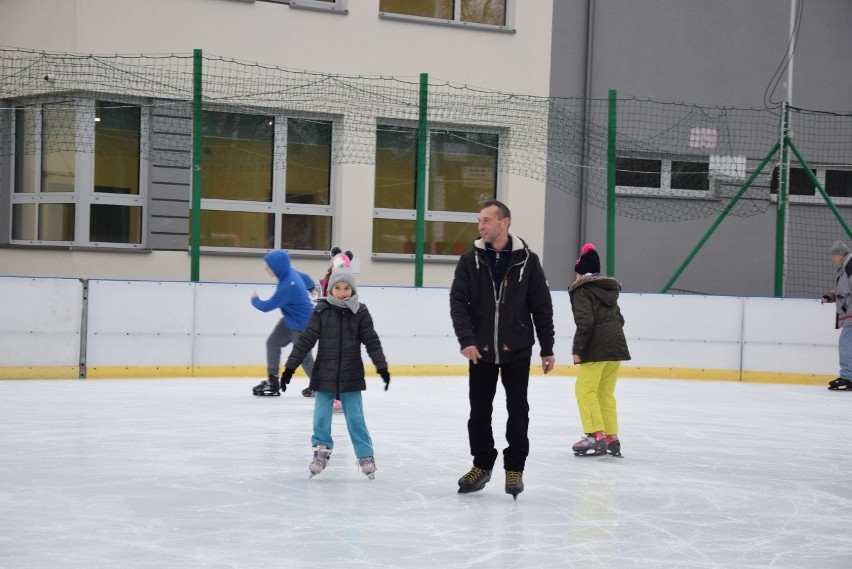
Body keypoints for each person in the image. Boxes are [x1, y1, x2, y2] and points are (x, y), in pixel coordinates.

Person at [449, 199, 555, 500]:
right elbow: (458, 302)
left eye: (487, 220)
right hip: (480, 349)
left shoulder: (528, 261)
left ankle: (515, 468)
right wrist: (466, 340)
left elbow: (541, 307)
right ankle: (482, 465)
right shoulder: (470, 260)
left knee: (517, 410)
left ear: (504, 222)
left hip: (517, 348)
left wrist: (547, 347)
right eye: (479, 221)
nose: (481, 226)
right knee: (479, 412)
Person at [280, 268, 391, 479]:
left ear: (352, 289)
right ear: (331, 290)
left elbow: (372, 341)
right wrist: (289, 368)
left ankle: (365, 455)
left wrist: (382, 367)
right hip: (324, 374)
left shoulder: (360, 311)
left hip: (351, 374)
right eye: (337, 288)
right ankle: (321, 451)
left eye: (346, 288)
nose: (342, 293)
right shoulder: (322, 311)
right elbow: (305, 341)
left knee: (356, 418)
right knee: (321, 417)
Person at [568, 243, 631, 457]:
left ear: (581, 271)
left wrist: (578, 349)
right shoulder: (608, 288)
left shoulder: (581, 290)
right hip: (616, 346)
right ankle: (612, 438)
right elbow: (619, 319)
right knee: (605, 393)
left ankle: (595, 435)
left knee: (585, 390)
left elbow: (585, 322)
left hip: (596, 346)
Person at [250, 249, 316, 397]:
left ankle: (321, 386)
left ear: (278, 266)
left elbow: (266, 306)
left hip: (303, 326)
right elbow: (306, 278)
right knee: (272, 342)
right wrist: (311, 287)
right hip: (290, 321)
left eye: (269, 266)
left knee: (304, 359)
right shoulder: (290, 272)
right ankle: (273, 381)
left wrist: (254, 299)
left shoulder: (287, 286)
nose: (266, 269)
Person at [301, 247, 355, 401]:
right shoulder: (323, 284)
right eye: (336, 268)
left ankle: (339, 394)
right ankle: (327, 390)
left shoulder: (348, 286)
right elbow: (316, 301)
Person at [822, 239, 852, 391]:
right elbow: (843, 291)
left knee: (845, 345)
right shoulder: (846, 268)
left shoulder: (850, 267)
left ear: (840, 254)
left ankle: (848, 377)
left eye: (834, 256)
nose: (833, 259)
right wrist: (831, 296)